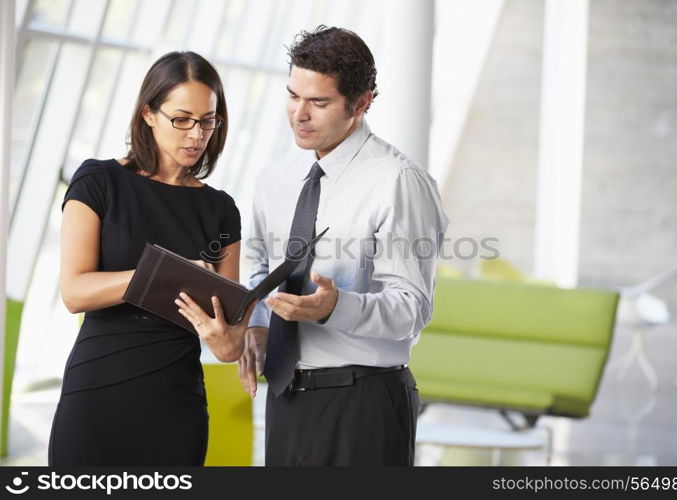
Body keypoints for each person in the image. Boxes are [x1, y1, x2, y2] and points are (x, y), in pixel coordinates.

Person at [238, 26, 449, 466]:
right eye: (293, 95)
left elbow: (412, 308)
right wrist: (258, 324)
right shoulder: (273, 177)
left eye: (318, 103)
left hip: (364, 403)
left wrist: (335, 308)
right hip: (285, 399)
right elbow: (260, 264)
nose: (299, 114)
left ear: (361, 103)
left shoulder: (397, 181)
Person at [49, 51, 253, 466]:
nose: (197, 134)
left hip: (176, 404)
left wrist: (222, 339)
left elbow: (231, 343)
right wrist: (166, 274)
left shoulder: (221, 210)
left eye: (208, 121)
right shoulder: (98, 181)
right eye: (182, 119)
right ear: (148, 114)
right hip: (97, 394)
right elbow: (74, 291)